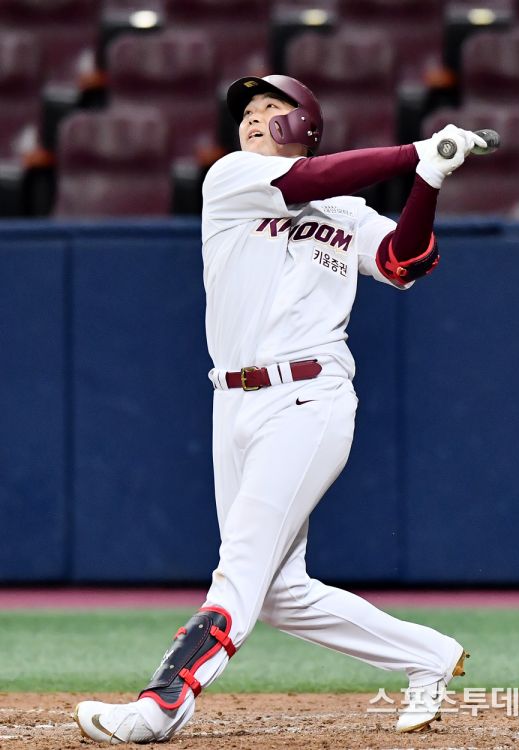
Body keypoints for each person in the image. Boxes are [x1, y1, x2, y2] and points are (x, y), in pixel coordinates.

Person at [74, 74, 486, 744]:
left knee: (240, 567)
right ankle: (429, 655)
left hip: (308, 397)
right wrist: (416, 152)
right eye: (248, 110)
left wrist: (429, 181)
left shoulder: (346, 212)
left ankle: (160, 706)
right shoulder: (231, 177)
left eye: (272, 108)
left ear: (306, 126)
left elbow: (406, 260)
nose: (253, 117)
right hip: (232, 402)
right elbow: (306, 179)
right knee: (280, 594)